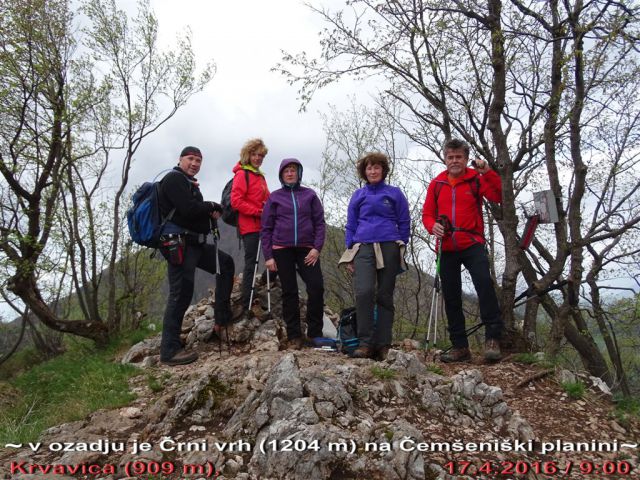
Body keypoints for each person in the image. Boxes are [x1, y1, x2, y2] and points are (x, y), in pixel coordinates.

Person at [422, 138, 503, 363]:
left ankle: (493, 339)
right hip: (446, 245)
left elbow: (498, 195)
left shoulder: (476, 179)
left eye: (459, 157)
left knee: (484, 286)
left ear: (466, 159)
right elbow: (427, 214)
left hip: (472, 242)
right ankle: (460, 347)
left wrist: (487, 172)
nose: (454, 161)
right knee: (452, 296)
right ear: (445, 159)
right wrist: (432, 227)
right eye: (451, 157)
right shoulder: (437, 184)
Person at [157, 146, 235, 366]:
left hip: (195, 244)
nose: (195, 164)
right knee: (180, 294)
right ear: (180, 159)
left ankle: (222, 317)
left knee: (225, 264)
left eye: (198, 161)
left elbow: (192, 212)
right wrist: (210, 205)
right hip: (179, 245)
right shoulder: (173, 179)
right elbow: (188, 210)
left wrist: (208, 213)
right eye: (191, 159)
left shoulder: (188, 183)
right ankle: (169, 351)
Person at [343, 152, 410, 360]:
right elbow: (351, 225)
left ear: (383, 170)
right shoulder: (358, 195)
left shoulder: (395, 193)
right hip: (363, 247)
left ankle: (383, 345)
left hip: (389, 244)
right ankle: (365, 343)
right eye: (369, 168)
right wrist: (350, 251)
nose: (372, 171)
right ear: (364, 172)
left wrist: (401, 243)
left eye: (376, 167)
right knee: (364, 292)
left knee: (384, 294)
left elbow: (404, 221)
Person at [261, 159, 326, 349]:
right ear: (281, 175)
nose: (290, 173)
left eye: (293, 170)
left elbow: (320, 223)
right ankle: (294, 336)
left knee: (316, 287)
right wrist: (269, 256)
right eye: (286, 171)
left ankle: (315, 334)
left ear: (299, 173)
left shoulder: (310, 195)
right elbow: (266, 229)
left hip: (307, 249)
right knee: (289, 292)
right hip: (282, 249)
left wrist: (316, 248)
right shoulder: (274, 198)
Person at [231, 138, 270, 312]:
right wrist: (258, 212)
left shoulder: (259, 176)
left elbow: (268, 198)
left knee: (275, 254)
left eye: (261, 155)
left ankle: (262, 284)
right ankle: (247, 299)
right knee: (251, 261)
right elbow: (236, 202)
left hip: (262, 224)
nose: (258, 158)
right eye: (254, 154)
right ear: (248, 155)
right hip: (249, 226)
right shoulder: (242, 174)